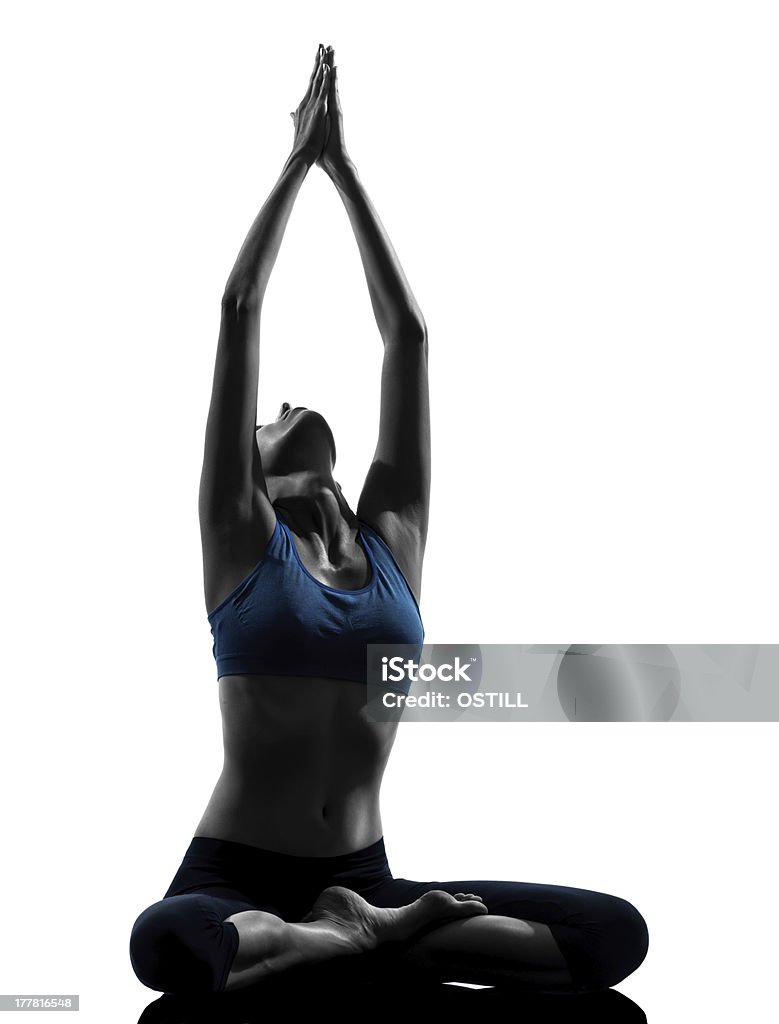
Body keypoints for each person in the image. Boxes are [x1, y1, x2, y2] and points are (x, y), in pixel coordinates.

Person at [129, 43, 649, 1006]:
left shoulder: (394, 543)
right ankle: (349, 941)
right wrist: (295, 165)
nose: (284, 398)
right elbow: (240, 307)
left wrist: (346, 169)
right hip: (233, 875)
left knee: (613, 935)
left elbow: (406, 338)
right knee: (168, 947)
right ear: (246, 468)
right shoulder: (242, 540)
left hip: (364, 876)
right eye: (268, 413)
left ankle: (347, 934)